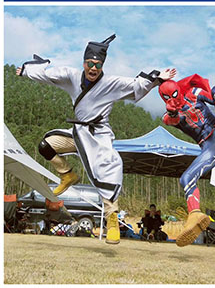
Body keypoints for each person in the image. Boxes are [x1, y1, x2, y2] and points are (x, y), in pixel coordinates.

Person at [16, 34, 174, 245]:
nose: (93, 68)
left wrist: (157, 78)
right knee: (46, 145)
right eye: (90, 64)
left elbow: (136, 85)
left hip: (98, 136)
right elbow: (48, 75)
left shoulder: (111, 83)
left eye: (97, 65)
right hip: (78, 134)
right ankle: (67, 175)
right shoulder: (71, 76)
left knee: (109, 169)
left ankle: (112, 221)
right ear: (84, 63)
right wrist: (27, 72)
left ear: (101, 66)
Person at [158, 73, 215, 247]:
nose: (173, 99)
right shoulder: (168, 115)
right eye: (167, 97)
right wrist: (172, 111)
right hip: (213, 147)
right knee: (186, 179)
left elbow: (210, 93)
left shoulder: (194, 93)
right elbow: (172, 120)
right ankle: (195, 214)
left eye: (174, 94)